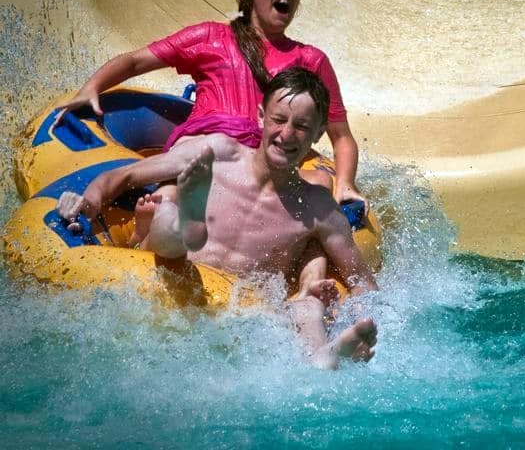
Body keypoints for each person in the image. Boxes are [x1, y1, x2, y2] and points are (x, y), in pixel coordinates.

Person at [56, 68, 378, 370]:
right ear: (261, 116)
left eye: (302, 127)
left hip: (236, 318)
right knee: (166, 211)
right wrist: (87, 204)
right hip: (170, 272)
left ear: (318, 133)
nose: (287, 134)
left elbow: (362, 282)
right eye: (279, 119)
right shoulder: (217, 153)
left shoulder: (318, 208)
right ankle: (188, 224)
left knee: (305, 306)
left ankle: (323, 358)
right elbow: (123, 176)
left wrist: (357, 315)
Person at [54, 0, 367, 208]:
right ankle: (110, 202)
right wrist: (92, 86)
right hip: (202, 151)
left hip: (261, 167)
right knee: (174, 195)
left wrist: (345, 183)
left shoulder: (311, 60)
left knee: (318, 190)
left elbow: (341, 137)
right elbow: (135, 61)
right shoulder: (212, 37)